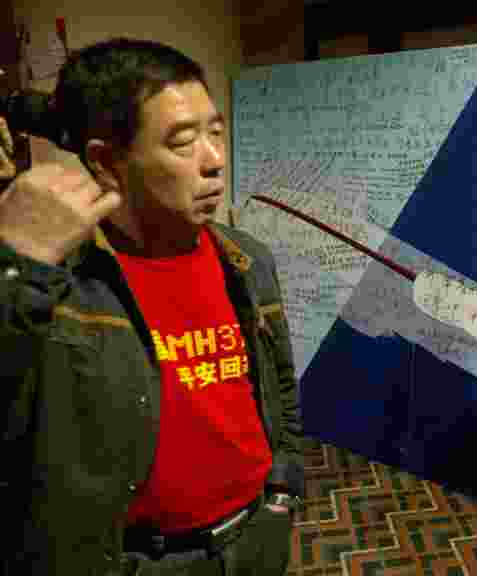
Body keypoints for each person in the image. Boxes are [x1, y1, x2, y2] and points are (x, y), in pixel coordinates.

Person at [0, 38, 303, 575]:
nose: (215, 161)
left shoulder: (246, 259)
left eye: (216, 132)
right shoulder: (60, 279)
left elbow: (279, 385)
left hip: (257, 540)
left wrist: (282, 491)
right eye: (183, 142)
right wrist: (16, 266)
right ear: (106, 161)